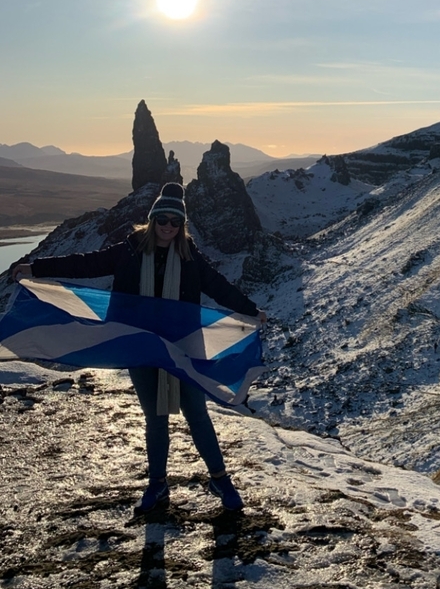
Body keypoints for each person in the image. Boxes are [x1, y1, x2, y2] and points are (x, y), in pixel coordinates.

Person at [12, 182, 267, 515]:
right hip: (140, 345)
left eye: (175, 222)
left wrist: (250, 310)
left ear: (182, 225)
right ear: (152, 219)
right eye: (162, 219)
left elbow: (219, 287)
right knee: (155, 417)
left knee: (196, 413)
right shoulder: (130, 250)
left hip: (183, 346)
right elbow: (85, 265)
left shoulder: (190, 257)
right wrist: (37, 269)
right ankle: (157, 485)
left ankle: (220, 479)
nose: (167, 227)